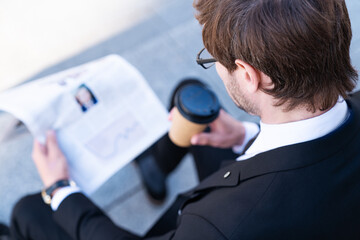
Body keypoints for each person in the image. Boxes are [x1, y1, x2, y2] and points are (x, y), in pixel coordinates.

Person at [2, 0, 360, 239]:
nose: (215, 67)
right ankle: (157, 168)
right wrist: (244, 136)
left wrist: (60, 190)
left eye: (214, 58)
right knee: (192, 99)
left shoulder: (220, 224)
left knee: (30, 210)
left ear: (250, 75)